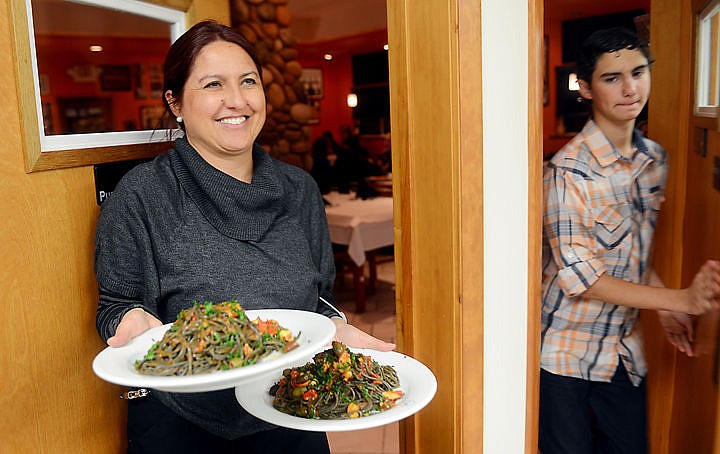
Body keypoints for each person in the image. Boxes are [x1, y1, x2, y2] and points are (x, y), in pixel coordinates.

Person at [94, 20, 394, 454]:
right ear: (174, 102)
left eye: (248, 81)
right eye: (213, 84)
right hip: (182, 426)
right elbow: (116, 304)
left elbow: (319, 296)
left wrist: (335, 326)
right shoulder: (142, 196)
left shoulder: (300, 190)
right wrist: (132, 321)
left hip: (290, 409)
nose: (237, 100)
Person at [540, 27, 720, 454]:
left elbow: (631, 252)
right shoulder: (568, 173)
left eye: (638, 73)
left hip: (623, 355)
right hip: (566, 358)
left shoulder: (655, 161)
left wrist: (661, 303)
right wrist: (682, 300)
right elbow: (583, 278)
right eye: (611, 78)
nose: (629, 88)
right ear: (585, 87)